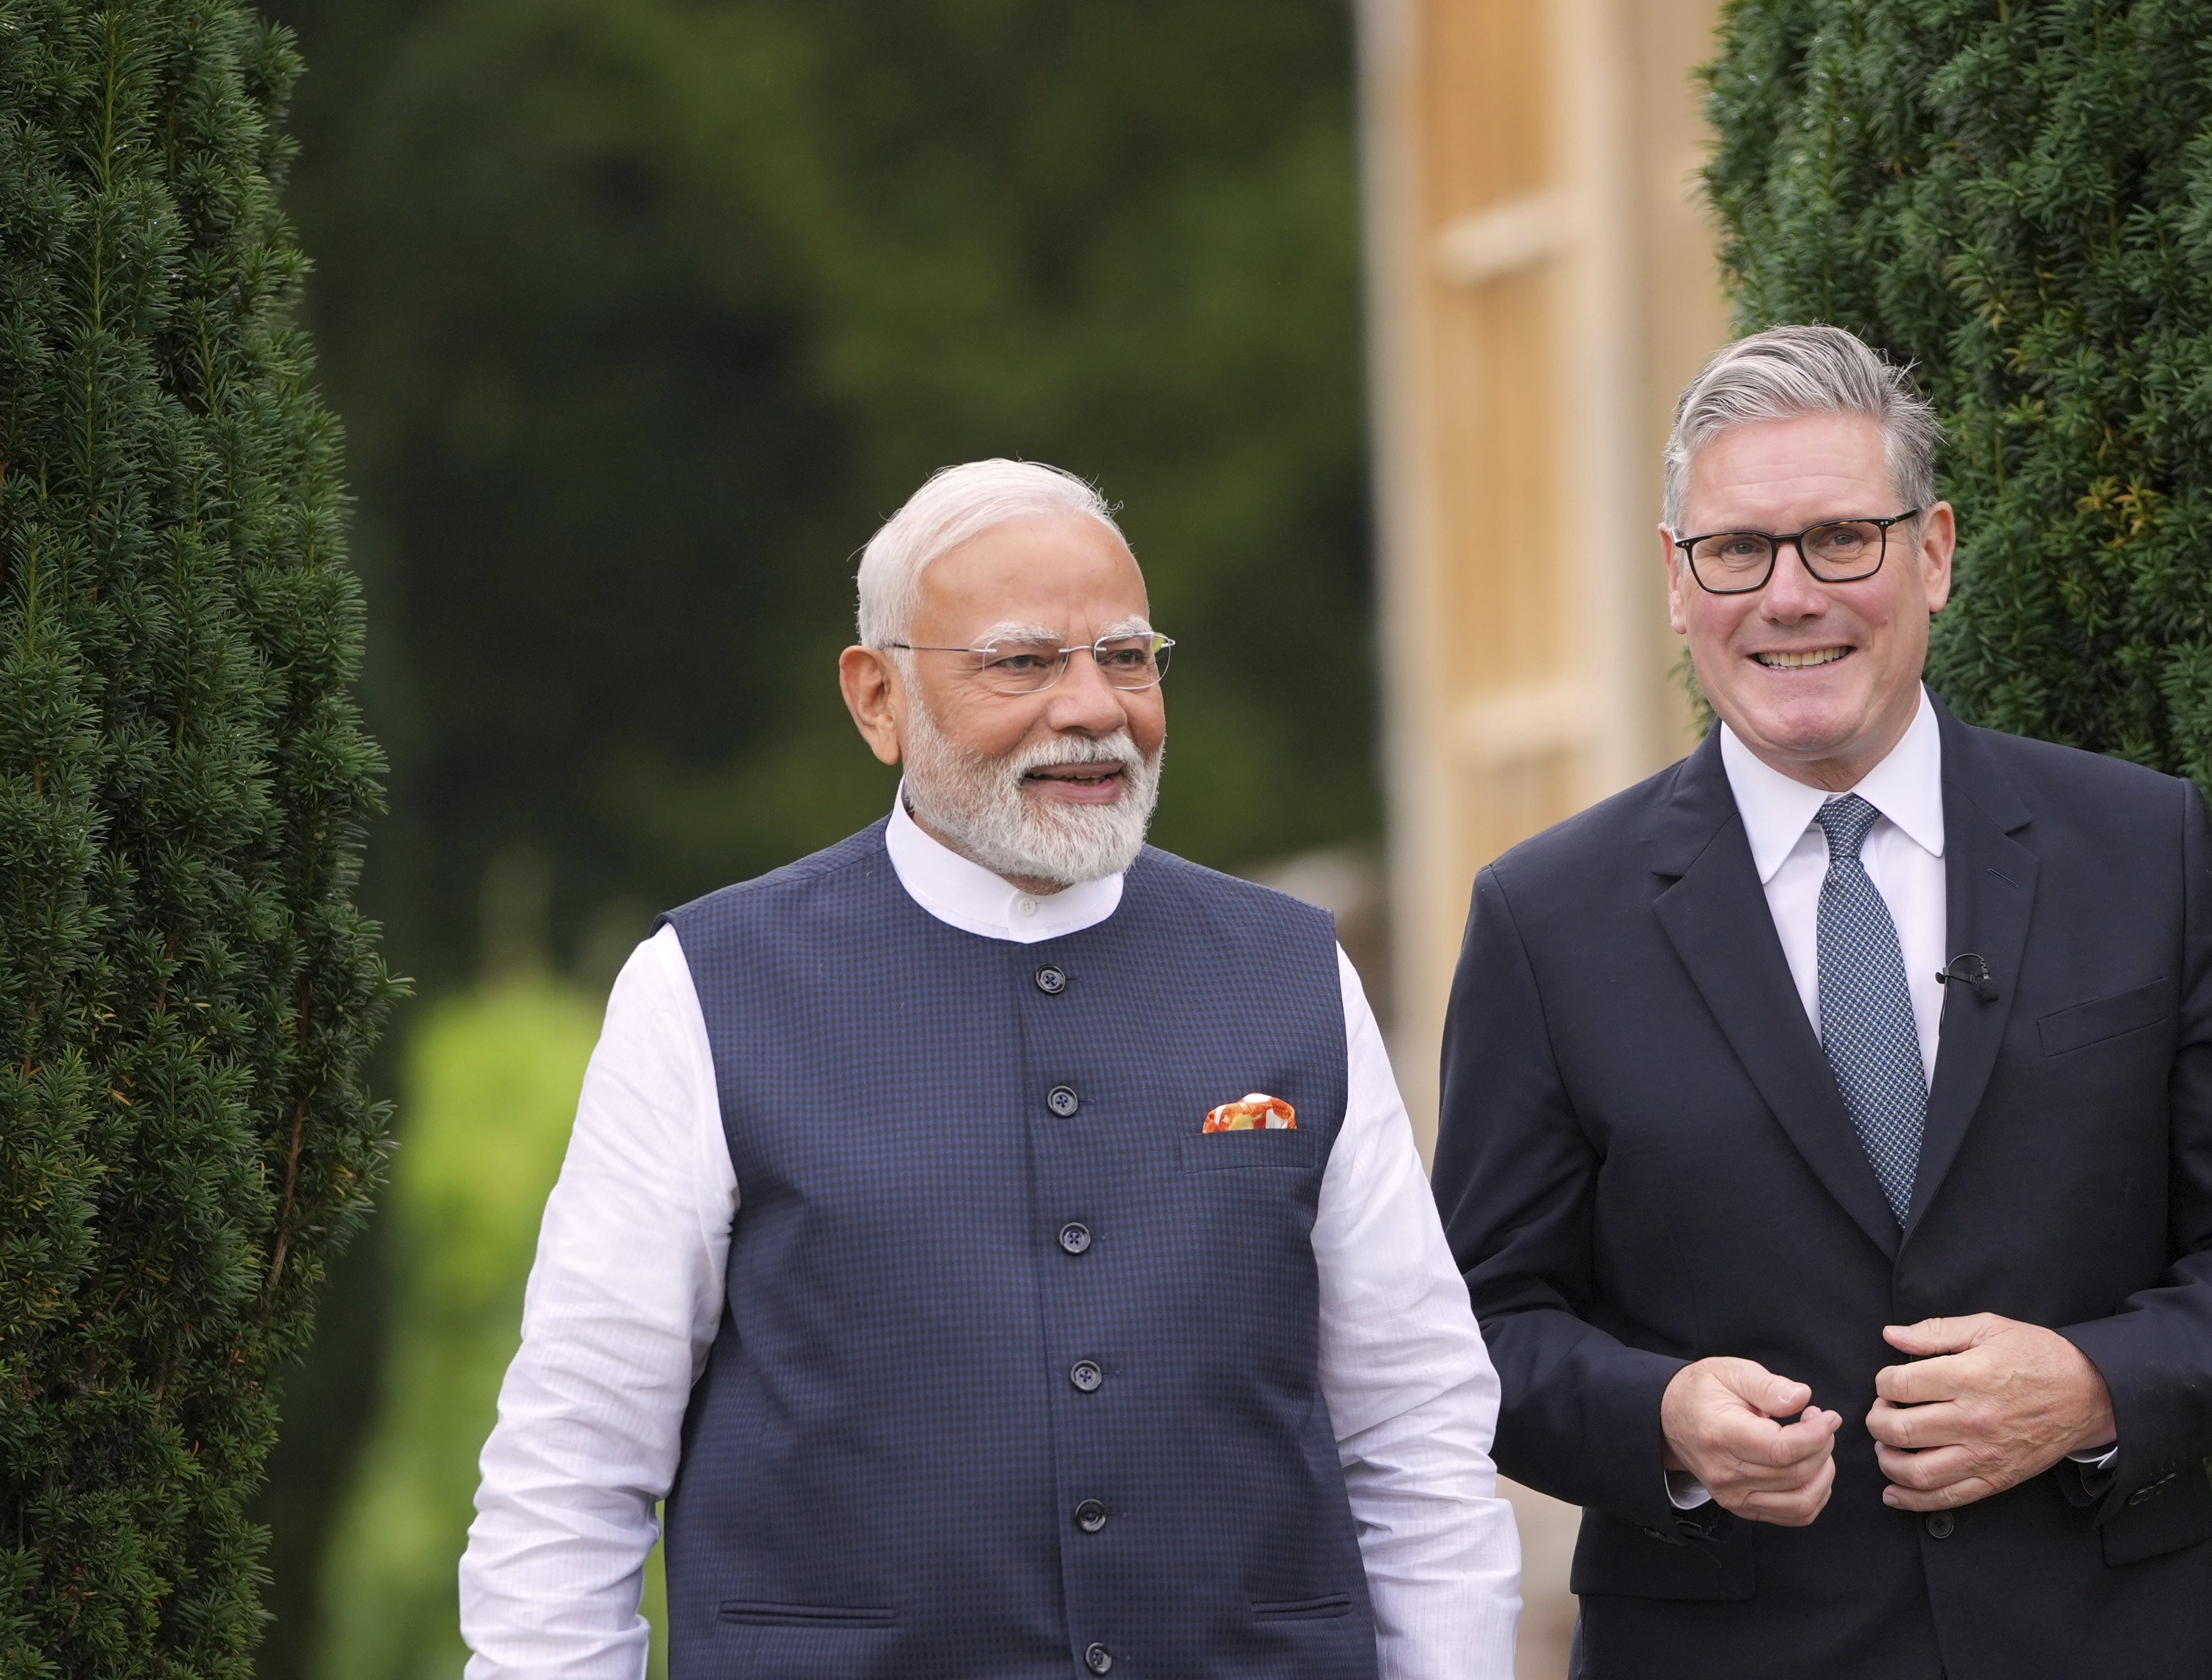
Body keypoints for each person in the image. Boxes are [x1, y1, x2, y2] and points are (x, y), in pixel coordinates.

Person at [459, 459, 1520, 1679]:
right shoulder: (705, 986)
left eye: (1127, 656)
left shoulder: (1289, 968)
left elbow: (1417, 1428)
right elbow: (575, 1464)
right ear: (878, 697)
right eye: (1023, 661)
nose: (1094, 707)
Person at [1431, 325, 2212, 1678]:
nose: (1788, 594)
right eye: (1737, 550)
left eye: (1840, 540)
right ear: (1676, 579)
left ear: (1932, 550)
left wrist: (2096, 1385)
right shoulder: (1546, 916)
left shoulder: (2139, 846)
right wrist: (1664, 1416)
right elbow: (1474, 1324)